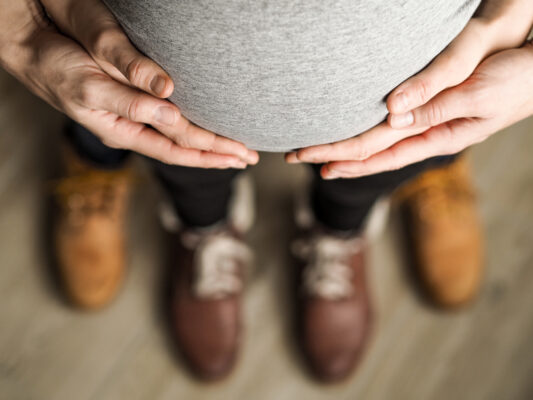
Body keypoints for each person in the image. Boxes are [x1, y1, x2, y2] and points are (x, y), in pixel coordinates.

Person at [0, 0, 532, 383]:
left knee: (393, 156)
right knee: (165, 149)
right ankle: (202, 224)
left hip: (430, 80)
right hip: (141, 76)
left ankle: (342, 228)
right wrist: (14, 27)